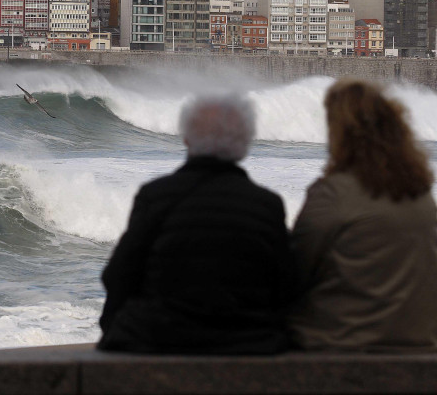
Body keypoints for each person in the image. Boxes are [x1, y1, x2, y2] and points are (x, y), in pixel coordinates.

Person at [98, 94, 295, 353]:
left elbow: (118, 275)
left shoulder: (155, 196)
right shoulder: (266, 204)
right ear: (245, 144)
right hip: (245, 343)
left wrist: (112, 331)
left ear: (186, 139)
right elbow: (286, 286)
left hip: (160, 339)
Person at [289, 79, 437, 351]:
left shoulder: (333, 194)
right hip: (425, 339)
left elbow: (296, 271)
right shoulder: (421, 194)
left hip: (352, 342)